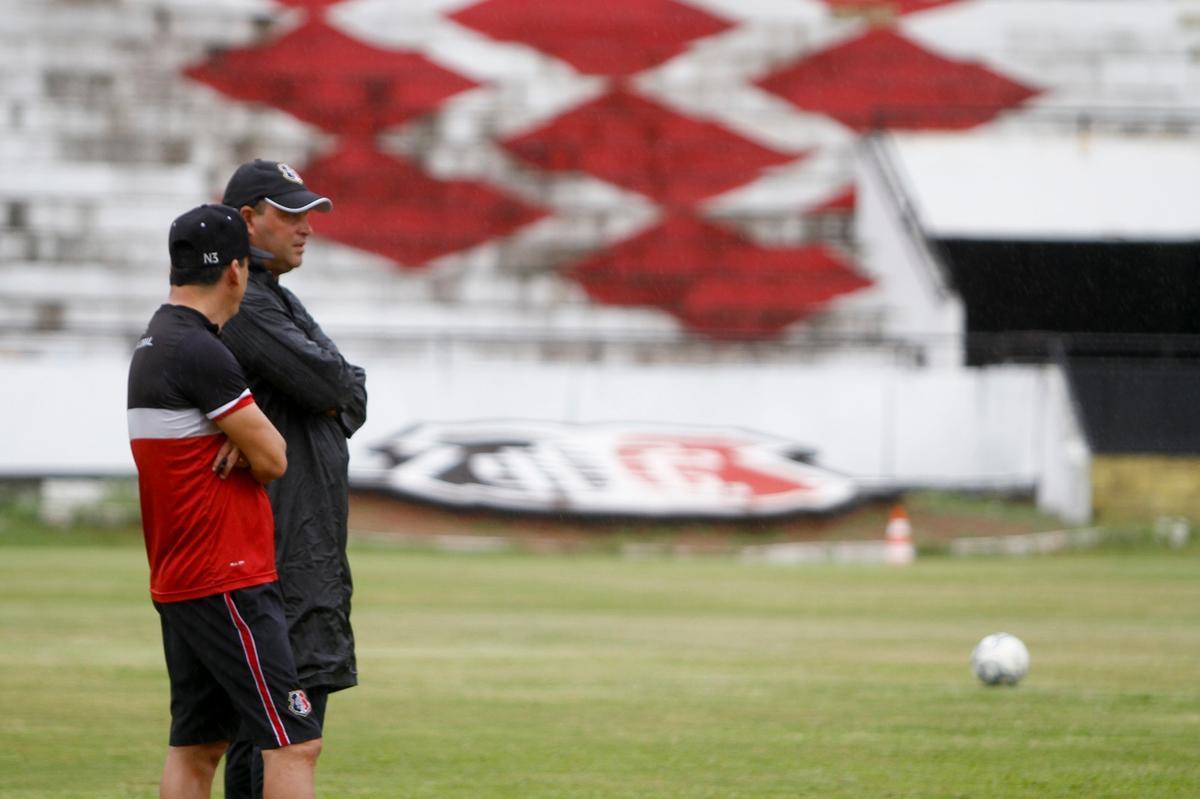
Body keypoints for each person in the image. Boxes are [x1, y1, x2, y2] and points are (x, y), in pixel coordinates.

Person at [126, 204, 322, 799]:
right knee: (293, 740)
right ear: (236, 271)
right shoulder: (200, 351)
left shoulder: (157, 341)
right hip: (227, 577)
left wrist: (241, 436)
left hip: (183, 577)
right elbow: (274, 458)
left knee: (197, 746)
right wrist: (250, 438)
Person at [217, 160, 368, 799]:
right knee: (278, 732)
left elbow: (350, 393)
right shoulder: (246, 301)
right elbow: (335, 383)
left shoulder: (272, 291)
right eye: (289, 214)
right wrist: (332, 392)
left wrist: (334, 391)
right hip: (277, 548)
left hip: (301, 542)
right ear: (247, 219)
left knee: (282, 726)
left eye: (309, 213)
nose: (306, 227)